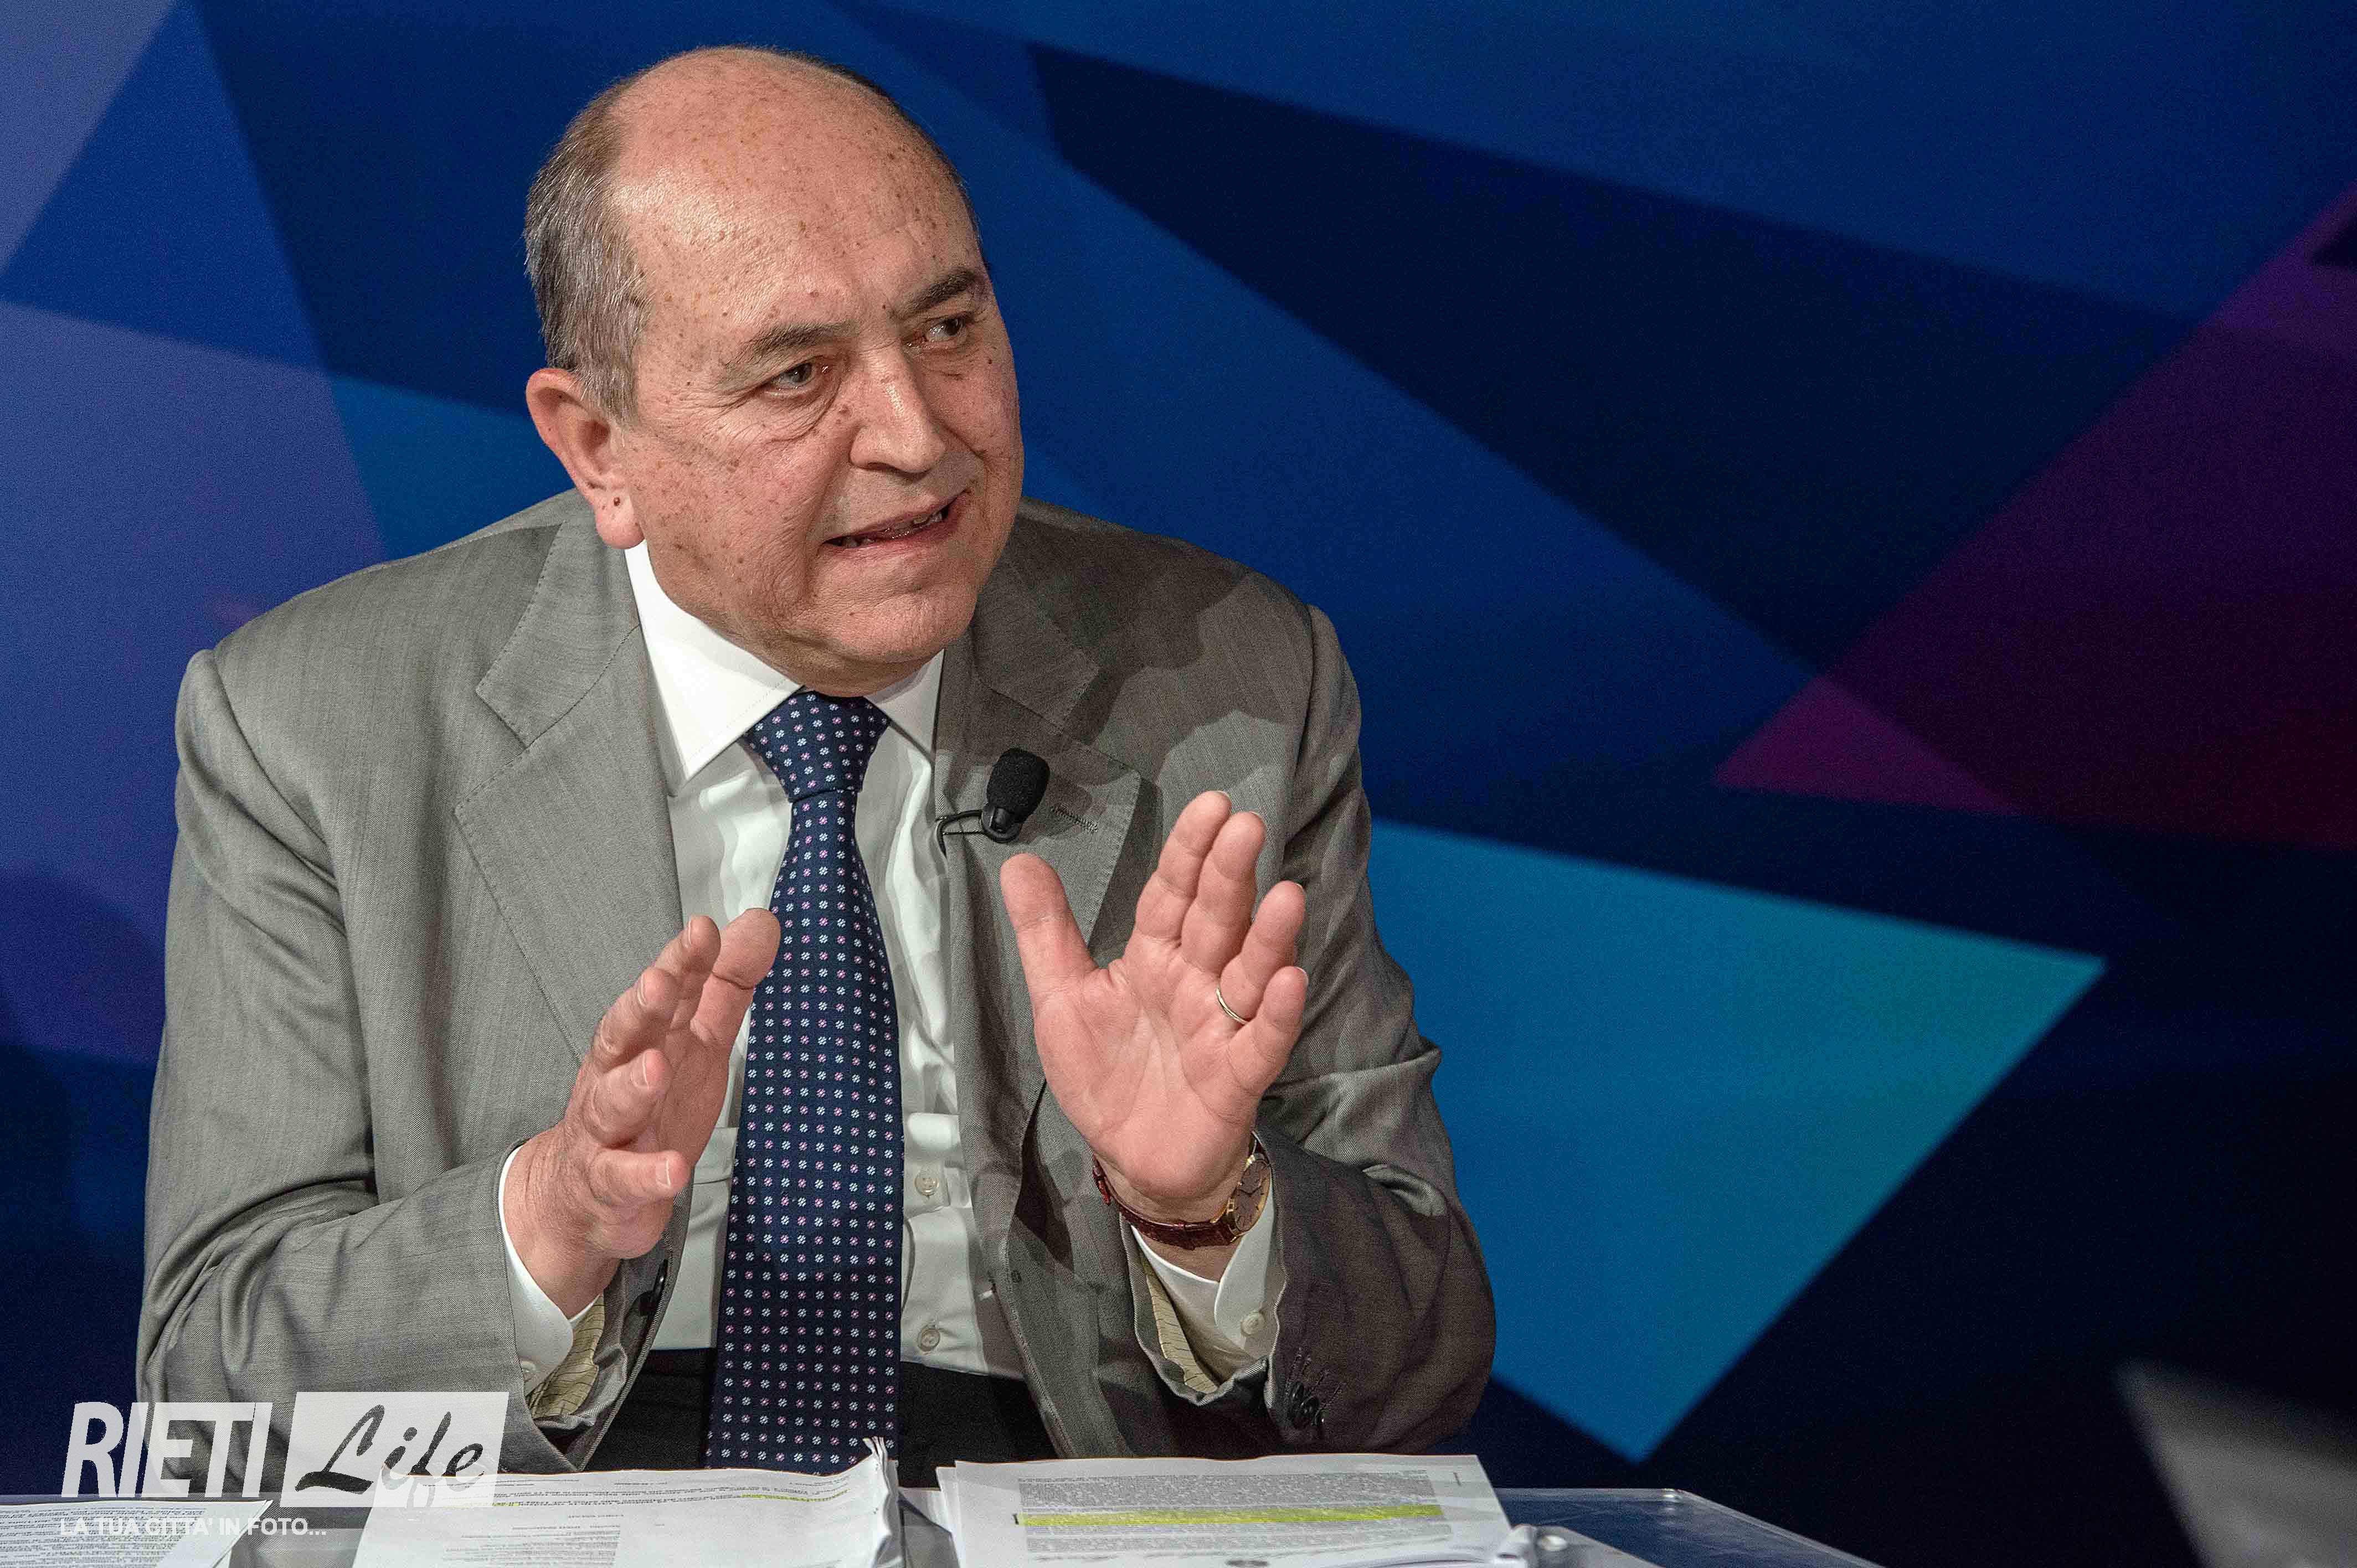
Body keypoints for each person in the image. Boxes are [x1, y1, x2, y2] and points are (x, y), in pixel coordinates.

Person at [140, 45, 1490, 1482]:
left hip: (1053, 1496)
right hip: (577, 1486)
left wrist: (1206, 1210)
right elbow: (213, 1364)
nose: (916, 435)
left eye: (950, 328)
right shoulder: (314, 724)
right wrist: (551, 1225)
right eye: (798, 375)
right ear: (598, 449)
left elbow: (1420, 1368)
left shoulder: (1231, 681)